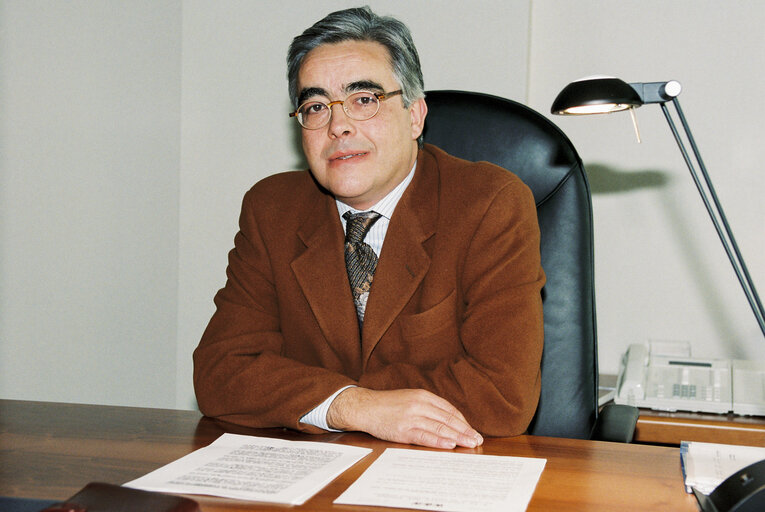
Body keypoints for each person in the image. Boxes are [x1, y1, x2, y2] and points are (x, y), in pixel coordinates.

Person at [193, 6, 544, 450]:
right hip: (311, 472)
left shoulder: (488, 204)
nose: (339, 126)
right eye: (316, 106)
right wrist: (353, 405)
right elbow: (220, 371)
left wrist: (303, 391)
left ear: (415, 116)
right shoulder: (272, 210)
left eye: (364, 100)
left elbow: (502, 394)